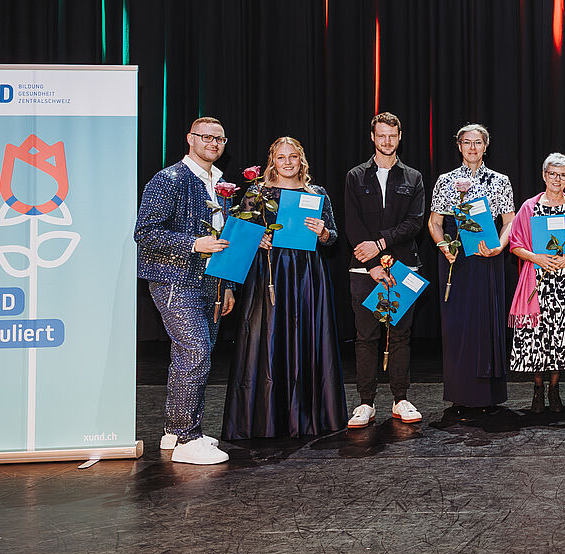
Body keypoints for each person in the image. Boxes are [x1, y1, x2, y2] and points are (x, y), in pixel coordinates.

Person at [222, 137, 345, 440]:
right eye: (281, 157)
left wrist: (323, 232)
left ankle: (307, 417)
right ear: (272, 161)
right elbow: (236, 235)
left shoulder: (317, 193)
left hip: (307, 276)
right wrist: (257, 239)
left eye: (293, 156)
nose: (287, 162)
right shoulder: (258, 193)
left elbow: (333, 237)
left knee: (308, 337)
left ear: (301, 160)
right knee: (267, 338)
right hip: (269, 273)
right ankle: (265, 418)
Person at [134, 116, 237, 465]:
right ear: (190, 138)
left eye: (219, 139)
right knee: (195, 352)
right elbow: (145, 233)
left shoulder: (220, 184)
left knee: (193, 355)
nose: (213, 143)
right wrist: (194, 243)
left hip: (211, 281)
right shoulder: (169, 180)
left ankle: (174, 430)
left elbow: (224, 241)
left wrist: (226, 286)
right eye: (206, 137)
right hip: (174, 279)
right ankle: (186, 438)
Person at [343, 112, 428, 429]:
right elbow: (352, 223)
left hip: (403, 269)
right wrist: (372, 264)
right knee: (366, 337)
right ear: (372, 137)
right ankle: (365, 403)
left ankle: (400, 399)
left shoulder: (413, 177)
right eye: (381, 135)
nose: (387, 141)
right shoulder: (355, 176)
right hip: (364, 271)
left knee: (401, 336)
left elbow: (415, 223)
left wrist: (380, 244)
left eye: (392, 135)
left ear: (400, 137)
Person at [428, 124, 514, 412]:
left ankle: (488, 394)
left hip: (489, 256)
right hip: (457, 258)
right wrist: (444, 246)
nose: (472, 148)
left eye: (478, 142)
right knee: (457, 324)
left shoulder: (500, 181)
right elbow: (435, 222)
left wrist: (500, 247)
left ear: (486, 146)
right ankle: (460, 393)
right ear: (459, 146)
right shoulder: (446, 180)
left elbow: (509, 221)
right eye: (467, 142)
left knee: (487, 322)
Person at [507, 153, 565, 413]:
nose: (557, 179)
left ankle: (554, 389)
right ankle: (537, 389)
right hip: (538, 281)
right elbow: (515, 244)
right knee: (537, 337)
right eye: (553, 174)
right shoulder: (529, 207)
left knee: (560, 337)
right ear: (544, 175)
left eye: (563, 175)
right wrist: (536, 257)